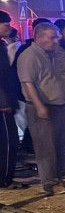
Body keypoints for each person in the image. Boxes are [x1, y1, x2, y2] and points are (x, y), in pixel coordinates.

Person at [18, 22, 65, 195]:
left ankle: (58, 178)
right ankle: (50, 183)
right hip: (42, 106)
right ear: (39, 37)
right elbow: (28, 84)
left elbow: (58, 79)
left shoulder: (52, 54)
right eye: (52, 37)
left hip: (58, 105)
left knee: (63, 144)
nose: (56, 41)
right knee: (46, 148)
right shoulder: (29, 56)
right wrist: (39, 106)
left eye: (56, 37)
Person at [0, 12, 21, 187]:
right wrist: (5, 102)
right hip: (3, 103)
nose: (9, 27)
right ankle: (5, 180)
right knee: (9, 142)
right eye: (6, 24)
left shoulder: (2, 45)